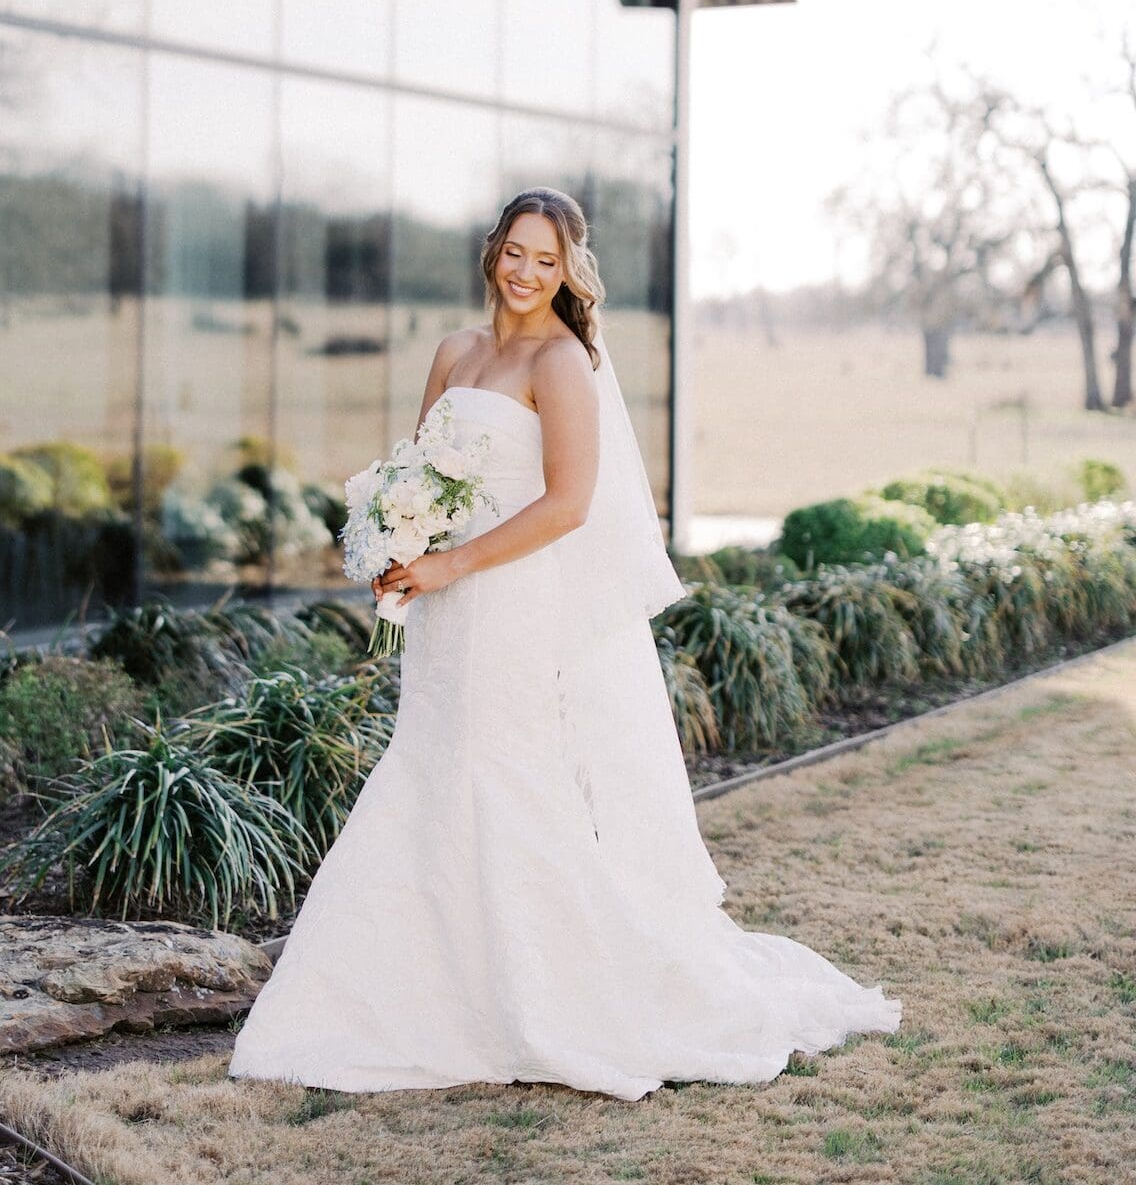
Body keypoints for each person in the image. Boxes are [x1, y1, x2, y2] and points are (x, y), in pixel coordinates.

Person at [229, 187, 902, 1099]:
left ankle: (547, 999)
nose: (526, 273)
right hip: (442, 611)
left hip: (509, 603)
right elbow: (415, 465)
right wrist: (399, 540)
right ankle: (411, 994)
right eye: (516, 252)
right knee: (430, 765)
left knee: (501, 778)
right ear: (491, 252)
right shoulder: (455, 352)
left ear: (566, 270)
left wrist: (455, 561)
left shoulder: (563, 363)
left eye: (547, 260)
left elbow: (570, 505)